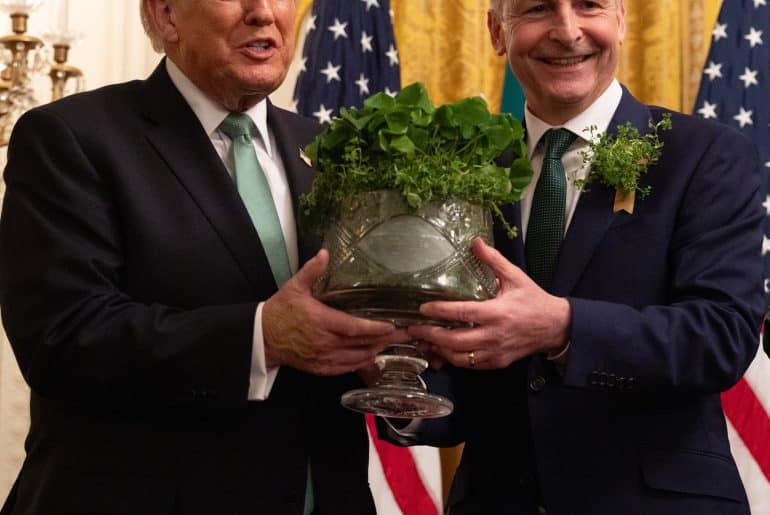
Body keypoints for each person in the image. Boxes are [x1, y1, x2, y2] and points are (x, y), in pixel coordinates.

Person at [0, 1, 407, 514]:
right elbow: (61, 338)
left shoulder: (333, 149)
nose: (263, 12)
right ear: (167, 14)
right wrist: (263, 338)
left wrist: (389, 351)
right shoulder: (70, 138)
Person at [382, 1, 764, 514]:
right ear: (497, 31)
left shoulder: (704, 156)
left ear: (622, 20)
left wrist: (562, 327)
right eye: (537, 8)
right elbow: (467, 379)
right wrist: (400, 383)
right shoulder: (462, 173)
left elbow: (720, 335)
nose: (567, 31)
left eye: (589, 5)